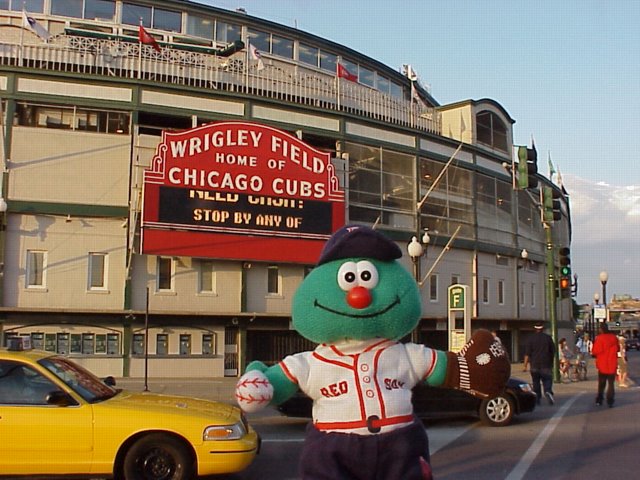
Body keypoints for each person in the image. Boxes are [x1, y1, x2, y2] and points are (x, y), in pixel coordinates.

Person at [523, 324, 556, 405]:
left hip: (534, 364)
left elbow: (527, 353)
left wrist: (525, 365)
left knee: (536, 382)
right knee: (547, 380)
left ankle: (537, 398)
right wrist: (551, 361)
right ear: (543, 329)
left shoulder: (530, 339)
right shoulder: (548, 338)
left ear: (535, 329)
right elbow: (553, 351)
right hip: (546, 363)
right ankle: (548, 391)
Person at [591, 323, 619, 407]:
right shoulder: (614, 338)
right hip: (612, 363)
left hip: (602, 364)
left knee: (602, 383)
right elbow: (617, 348)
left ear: (601, 329)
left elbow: (595, 351)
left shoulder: (600, 338)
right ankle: (610, 400)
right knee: (611, 384)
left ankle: (599, 399)